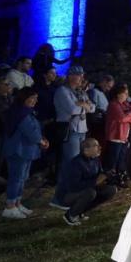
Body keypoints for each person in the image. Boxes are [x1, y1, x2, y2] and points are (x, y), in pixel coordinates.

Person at [1, 87, 49, 219]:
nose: (34, 101)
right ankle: (10, 206)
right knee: (16, 179)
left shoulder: (27, 112)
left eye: (36, 99)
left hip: (26, 150)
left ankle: (17, 202)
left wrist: (42, 139)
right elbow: (30, 132)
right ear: (24, 98)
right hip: (18, 151)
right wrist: (41, 141)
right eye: (32, 98)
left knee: (22, 178)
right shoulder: (20, 113)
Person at [51, 66, 95, 209]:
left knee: (78, 166)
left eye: (82, 75)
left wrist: (82, 104)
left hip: (81, 130)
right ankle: (59, 198)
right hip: (71, 131)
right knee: (70, 166)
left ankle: (72, 196)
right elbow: (72, 109)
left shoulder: (80, 92)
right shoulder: (62, 91)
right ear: (70, 76)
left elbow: (93, 107)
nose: (81, 78)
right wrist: (83, 106)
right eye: (78, 75)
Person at [57, 138, 117, 226]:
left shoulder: (95, 159)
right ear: (86, 150)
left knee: (111, 190)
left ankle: (81, 211)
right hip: (68, 194)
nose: (100, 148)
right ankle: (70, 215)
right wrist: (95, 182)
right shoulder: (76, 163)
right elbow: (74, 186)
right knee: (91, 193)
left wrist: (107, 175)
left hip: (87, 189)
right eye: (96, 146)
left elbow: (99, 175)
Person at [104, 84, 131, 179]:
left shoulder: (124, 104)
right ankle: (108, 179)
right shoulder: (113, 105)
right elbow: (122, 118)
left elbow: (129, 117)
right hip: (116, 136)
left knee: (120, 159)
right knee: (113, 159)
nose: (127, 96)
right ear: (118, 94)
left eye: (127, 94)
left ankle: (119, 178)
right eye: (125, 93)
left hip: (123, 136)